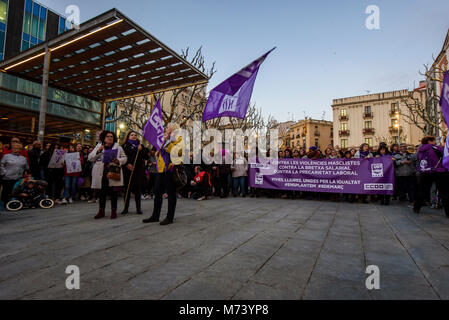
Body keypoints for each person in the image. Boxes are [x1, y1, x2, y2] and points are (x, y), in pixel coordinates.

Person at [143, 123, 184, 225]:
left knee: (171, 194)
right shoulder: (164, 139)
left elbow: (176, 151)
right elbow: (159, 152)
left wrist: (168, 142)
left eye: (168, 128)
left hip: (170, 169)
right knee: (157, 192)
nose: (166, 129)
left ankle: (169, 217)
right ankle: (155, 216)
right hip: (161, 169)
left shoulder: (179, 139)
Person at [89, 131, 127, 220]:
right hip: (101, 173)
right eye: (107, 136)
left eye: (111, 136)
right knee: (102, 193)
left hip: (113, 172)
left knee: (113, 193)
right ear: (103, 137)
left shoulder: (118, 147)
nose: (109, 138)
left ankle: (114, 211)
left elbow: (125, 158)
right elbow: (90, 158)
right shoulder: (99, 146)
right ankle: (101, 211)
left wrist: (119, 160)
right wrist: (98, 151)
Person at [413, 136, 449, 217]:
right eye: (433, 140)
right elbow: (444, 156)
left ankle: (416, 207)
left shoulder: (420, 150)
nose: (435, 142)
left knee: (422, 191)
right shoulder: (436, 148)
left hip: (425, 172)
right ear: (429, 141)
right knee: (444, 192)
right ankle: (448, 212)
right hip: (438, 171)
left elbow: (417, 159)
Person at [121, 130, 149, 215]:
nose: (134, 136)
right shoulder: (125, 146)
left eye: (135, 135)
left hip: (138, 171)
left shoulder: (140, 145)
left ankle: (138, 208)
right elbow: (123, 156)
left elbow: (146, 156)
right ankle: (125, 208)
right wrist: (126, 164)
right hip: (128, 170)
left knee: (138, 190)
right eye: (132, 135)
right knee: (127, 190)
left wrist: (141, 150)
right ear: (128, 137)